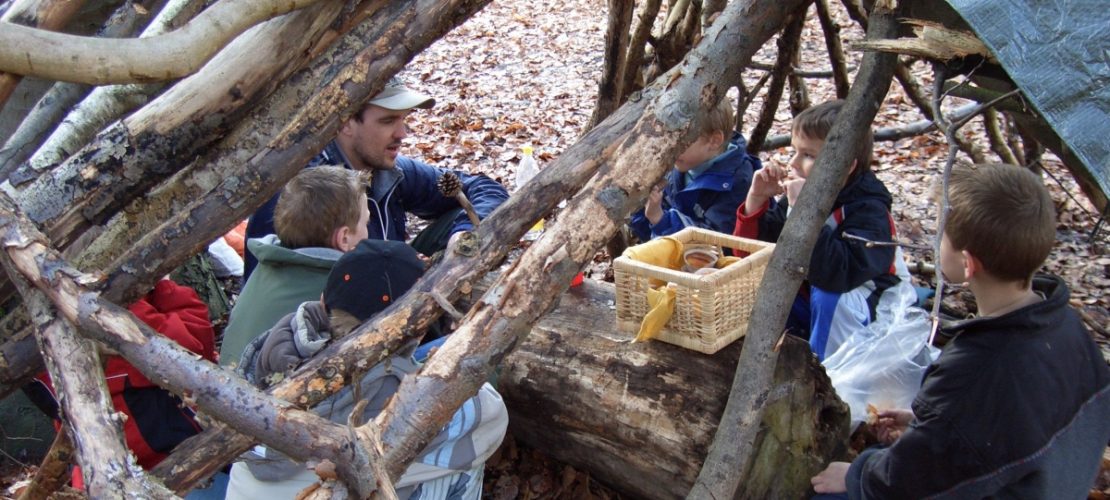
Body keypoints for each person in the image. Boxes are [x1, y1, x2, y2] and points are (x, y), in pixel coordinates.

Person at [810, 164, 1110, 498]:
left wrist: (857, 478)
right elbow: (1006, 426)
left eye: (941, 235)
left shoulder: (976, 368)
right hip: (1051, 482)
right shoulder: (1065, 325)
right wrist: (927, 424)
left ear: (968, 263)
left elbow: (904, 482)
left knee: (827, 489)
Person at [228, 239, 508, 499]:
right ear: (418, 327)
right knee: (463, 459)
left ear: (324, 299)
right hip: (331, 479)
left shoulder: (272, 347)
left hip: (255, 481)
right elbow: (490, 417)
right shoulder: (391, 397)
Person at [244, 76, 509, 278]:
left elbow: (486, 190)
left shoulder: (386, 169)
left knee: (462, 217)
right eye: (388, 121)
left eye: (404, 119)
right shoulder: (303, 192)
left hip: (388, 292)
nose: (402, 133)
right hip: (331, 325)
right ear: (345, 122)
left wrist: (462, 236)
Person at [733, 100, 911, 360]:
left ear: (846, 166)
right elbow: (752, 258)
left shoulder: (868, 211)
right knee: (758, 284)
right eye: (794, 151)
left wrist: (803, 211)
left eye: (808, 155)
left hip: (871, 315)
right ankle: (773, 358)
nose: (793, 163)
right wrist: (756, 200)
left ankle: (821, 376)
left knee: (830, 298)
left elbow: (834, 275)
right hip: (818, 301)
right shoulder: (807, 191)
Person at [27, 278, 227, 497]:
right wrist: (163, 287)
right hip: (176, 459)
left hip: (98, 470)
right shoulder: (124, 312)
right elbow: (194, 353)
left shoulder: (35, 335)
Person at [220, 166, 370, 366]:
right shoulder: (341, 289)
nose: (368, 234)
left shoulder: (266, 267)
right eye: (366, 223)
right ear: (344, 238)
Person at [630, 97, 760, 241]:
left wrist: (660, 219)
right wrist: (637, 205)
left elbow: (714, 243)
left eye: (681, 141)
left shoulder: (737, 181)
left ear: (714, 141)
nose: (669, 148)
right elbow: (648, 235)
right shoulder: (679, 162)